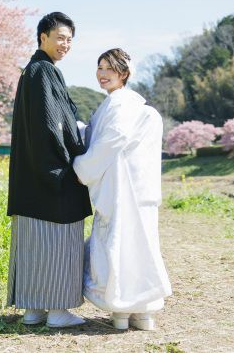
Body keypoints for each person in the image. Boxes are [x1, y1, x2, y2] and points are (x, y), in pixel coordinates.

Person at [73, 48, 172, 331]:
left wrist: (83, 168)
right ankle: (142, 313)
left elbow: (111, 139)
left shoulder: (119, 104)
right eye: (100, 67)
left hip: (123, 190)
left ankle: (121, 311)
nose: (102, 73)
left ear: (124, 74)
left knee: (118, 247)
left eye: (109, 69)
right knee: (141, 247)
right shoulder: (131, 105)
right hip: (138, 190)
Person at [6, 12, 92, 328]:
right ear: (43, 36)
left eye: (69, 39)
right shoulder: (45, 71)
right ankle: (57, 311)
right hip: (51, 175)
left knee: (32, 242)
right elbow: (55, 124)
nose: (65, 44)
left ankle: (33, 310)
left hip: (29, 176)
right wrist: (74, 159)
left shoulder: (31, 71)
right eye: (60, 37)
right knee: (58, 240)